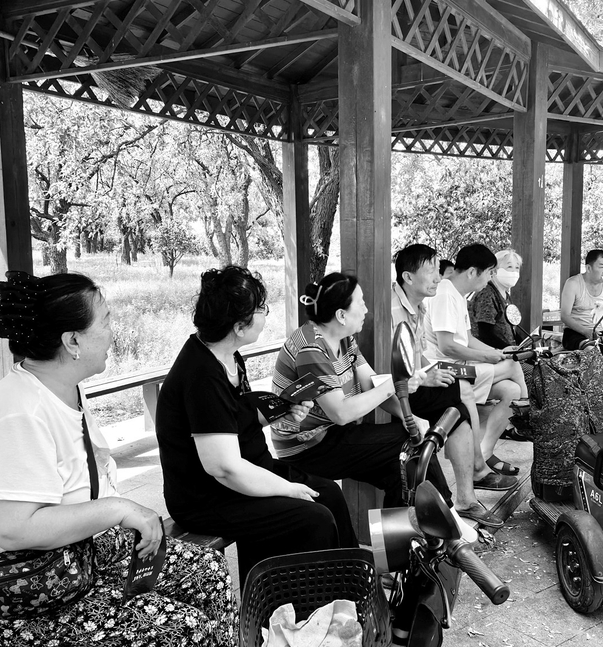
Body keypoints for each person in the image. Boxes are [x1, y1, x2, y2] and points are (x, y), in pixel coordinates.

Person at [0, 271, 238, 647]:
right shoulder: (19, 412)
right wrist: (119, 509)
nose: (112, 333)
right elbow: (13, 530)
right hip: (22, 592)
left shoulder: (63, 389)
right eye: (105, 321)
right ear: (72, 340)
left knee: (209, 572)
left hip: (79, 557)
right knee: (182, 630)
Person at [156, 265, 357, 587]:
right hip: (208, 496)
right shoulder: (201, 375)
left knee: (328, 493)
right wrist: (287, 489)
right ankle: (299, 605)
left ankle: (350, 587)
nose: (265, 314)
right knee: (313, 517)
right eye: (261, 309)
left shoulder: (228, 355)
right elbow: (223, 468)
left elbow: (233, 419)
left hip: (248, 469)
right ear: (238, 326)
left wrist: (281, 411)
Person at [271, 272, 453, 510]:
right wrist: (396, 383)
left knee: (402, 470)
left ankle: (411, 529)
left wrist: (410, 418)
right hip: (307, 447)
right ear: (341, 315)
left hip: (332, 433)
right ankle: (449, 515)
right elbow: (341, 413)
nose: (367, 310)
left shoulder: (344, 339)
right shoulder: (311, 348)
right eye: (361, 303)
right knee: (406, 441)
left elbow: (372, 384)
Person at [392, 244, 507, 527]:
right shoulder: (392, 309)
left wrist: (428, 372)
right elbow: (390, 366)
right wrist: (425, 376)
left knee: (459, 406)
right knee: (461, 395)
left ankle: (468, 494)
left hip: (418, 380)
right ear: (408, 277)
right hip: (394, 393)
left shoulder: (418, 306)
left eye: (437, 269)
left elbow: (417, 355)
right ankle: (471, 480)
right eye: (430, 270)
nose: (438, 276)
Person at [424, 244, 527, 482]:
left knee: (510, 390)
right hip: (444, 370)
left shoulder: (458, 295)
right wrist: (488, 357)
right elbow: (446, 346)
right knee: (513, 366)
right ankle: (527, 415)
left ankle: (485, 452)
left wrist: (498, 352)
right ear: (472, 272)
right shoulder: (445, 294)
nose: (491, 278)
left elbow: (468, 339)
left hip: (461, 368)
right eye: (489, 272)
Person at [468, 248, 528, 350]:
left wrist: (522, 346)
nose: (514, 272)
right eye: (509, 267)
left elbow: (509, 329)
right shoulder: (487, 293)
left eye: (517, 268)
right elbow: (485, 333)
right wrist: (507, 349)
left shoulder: (505, 295)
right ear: (495, 270)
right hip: (490, 354)